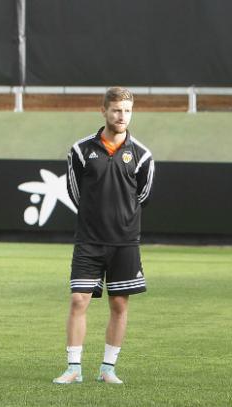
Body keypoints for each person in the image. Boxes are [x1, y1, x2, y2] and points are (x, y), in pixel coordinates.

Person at [53, 87, 155, 384]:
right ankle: (73, 368)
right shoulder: (81, 151)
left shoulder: (142, 155)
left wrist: (121, 218)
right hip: (89, 240)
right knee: (78, 300)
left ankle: (108, 369)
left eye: (127, 110)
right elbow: (75, 192)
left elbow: (143, 195)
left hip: (124, 241)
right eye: (116, 110)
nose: (121, 116)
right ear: (104, 111)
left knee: (119, 304)